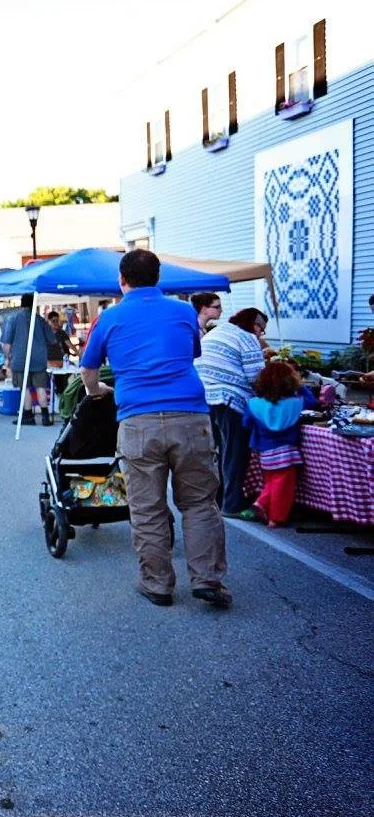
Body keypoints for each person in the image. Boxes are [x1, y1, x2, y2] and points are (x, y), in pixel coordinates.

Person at [80, 249, 231, 608]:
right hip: (190, 417)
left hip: (138, 422)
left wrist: (97, 390)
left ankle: (158, 584)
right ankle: (208, 580)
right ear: (158, 278)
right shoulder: (183, 312)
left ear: (122, 280)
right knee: (198, 503)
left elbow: (88, 370)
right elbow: (191, 354)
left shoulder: (110, 318)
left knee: (147, 507)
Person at [195, 307, 267, 517]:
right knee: (235, 453)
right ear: (254, 325)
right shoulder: (247, 338)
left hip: (204, 396)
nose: (260, 335)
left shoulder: (218, 331)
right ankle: (232, 504)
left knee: (218, 451)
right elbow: (257, 376)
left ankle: (218, 497)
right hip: (229, 399)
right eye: (261, 330)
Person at [240, 360, 315, 527]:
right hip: (287, 452)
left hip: (265, 452)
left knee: (272, 481)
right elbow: (312, 400)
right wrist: (300, 385)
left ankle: (261, 505)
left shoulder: (254, 405)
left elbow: (246, 423)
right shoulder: (296, 403)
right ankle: (275, 517)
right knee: (284, 487)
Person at [0, 293, 55, 425]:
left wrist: (7, 358)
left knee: (25, 388)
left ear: (21, 303)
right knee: (40, 387)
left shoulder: (13, 319)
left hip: (19, 359)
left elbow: (7, 343)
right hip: (39, 359)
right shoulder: (40, 320)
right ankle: (45, 417)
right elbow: (52, 340)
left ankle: (28, 416)